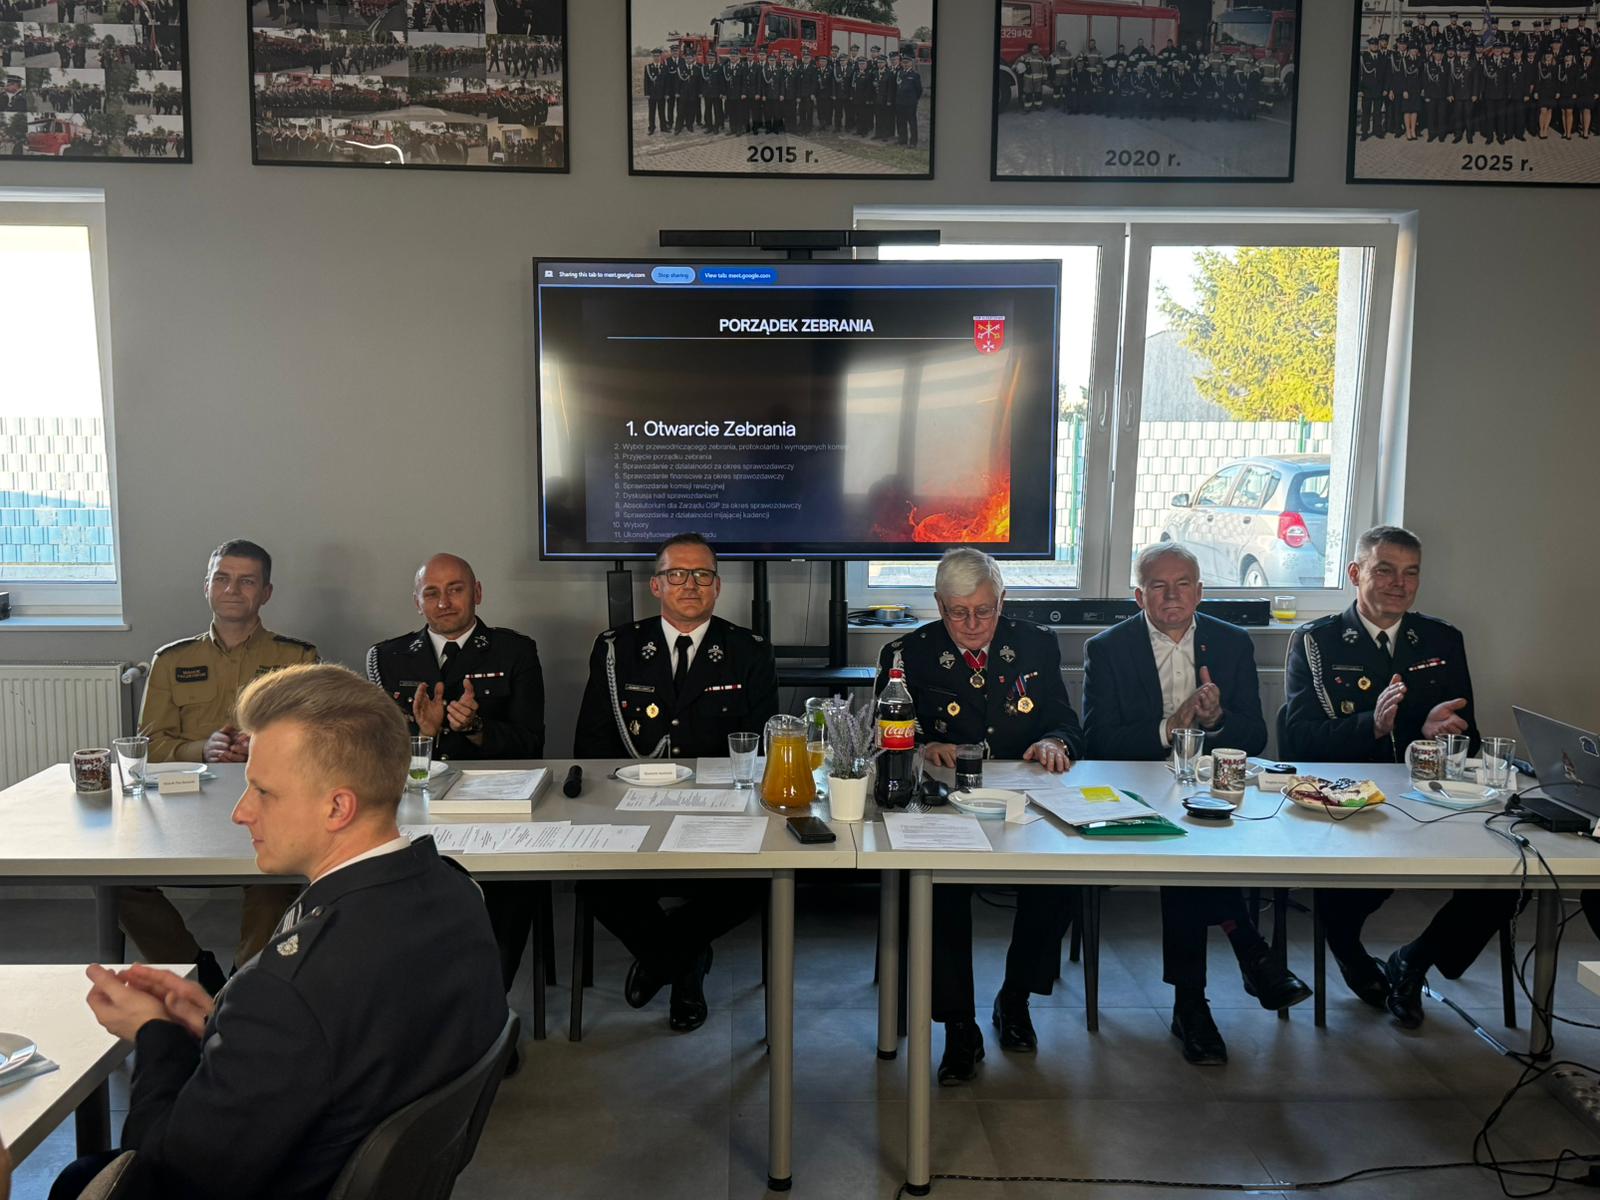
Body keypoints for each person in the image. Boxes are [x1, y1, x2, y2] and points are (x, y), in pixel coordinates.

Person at [49, 664, 506, 1200]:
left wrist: (156, 1036)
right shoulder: (457, 891)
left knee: (80, 1178)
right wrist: (223, 1024)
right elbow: (341, 1041)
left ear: (337, 807)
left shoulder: (286, 990)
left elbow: (169, 1175)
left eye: (262, 791)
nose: (241, 813)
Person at [1083, 544, 1311, 1065]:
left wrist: (1215, 721)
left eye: (1183, 583)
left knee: (1193, 843)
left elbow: (1255, 736)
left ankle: (1197, 998)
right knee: (1184, 850)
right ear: (1138, 596)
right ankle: (1232, 966)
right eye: (1158, 586)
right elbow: (1097, 743)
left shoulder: (1231, 643)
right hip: (1135, 791)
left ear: (1200, 591)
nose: (1172, 596)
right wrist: (1171, 725)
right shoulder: (1108, 648)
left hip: (1215, 790)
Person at [1283, 525, 1515, 1029]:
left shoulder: (1441, 638)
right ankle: (1348, 951)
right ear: (1355, 573)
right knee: (1354, 884)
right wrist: (1373, 725)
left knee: (1511, 877)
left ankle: (1415, 959)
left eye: (1411, 573)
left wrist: (1434, 733)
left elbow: (1469, 738)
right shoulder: (1317, 641)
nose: (1399, 584)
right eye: (1385, 570)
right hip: (1351, 802)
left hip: (1431, 797)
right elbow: (1299, 741)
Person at [875, 548, 1081, 1085]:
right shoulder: (906, 653)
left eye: (984, 611)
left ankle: (1015, 999)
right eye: (957, 612)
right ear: (939, 604)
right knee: (937, 892)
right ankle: (958, 1026)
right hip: (943, 803)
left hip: (1023, 802)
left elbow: (1064, 720)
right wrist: (923, 746)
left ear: (1002, 601)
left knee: (1060, 881)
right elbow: (884, 732)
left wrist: (1054, 742)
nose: (971, 624)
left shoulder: (1035, 643)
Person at [573, 533, 777, 1033]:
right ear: (656, 585)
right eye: (676, 575)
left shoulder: (747, 650)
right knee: (594, 883)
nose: (690, 585)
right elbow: (591, 747)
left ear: (717, 586)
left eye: (702, 575)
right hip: (633, 806)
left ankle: (664, 958)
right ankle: (685, 962)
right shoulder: (617, 648)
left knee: (756, 883)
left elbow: (763, 750)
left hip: (718, 811)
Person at [127, 539, 317, 993]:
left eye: (247, 581)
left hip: (268, 806)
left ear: (266, 592)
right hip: (185, 811)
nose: (233, 590)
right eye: (222, 579)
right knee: (119, 886)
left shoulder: (298, 659)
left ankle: (244, 989)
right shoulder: (172, 660)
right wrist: (202, 749)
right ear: (207, 587)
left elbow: (315, 740)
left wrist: (262, 747)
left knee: (275, 882)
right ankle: (198, 973)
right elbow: (149, 745)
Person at [365, 553, 545, 996]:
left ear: (477, 593)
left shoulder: (515, 651)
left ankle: (487, 1006)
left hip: (495, 809)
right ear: (417, 601)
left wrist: (477, 728)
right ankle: (421, 1004)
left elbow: (530, 743)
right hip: (413, 813)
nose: (444, 602)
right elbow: (373, 754)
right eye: (432, 593)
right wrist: (422, 737)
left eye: (455, 590)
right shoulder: (387, 658)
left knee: (514, 890)